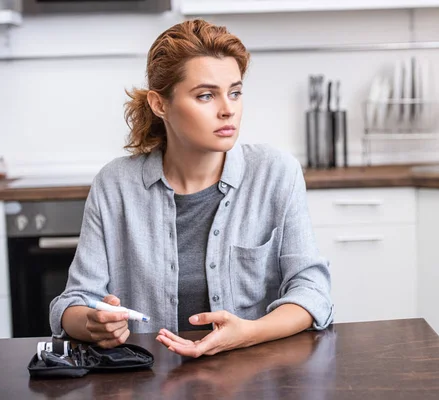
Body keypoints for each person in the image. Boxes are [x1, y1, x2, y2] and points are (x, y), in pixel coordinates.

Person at [50, 19, 333, 358]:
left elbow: (312, 291)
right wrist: (94, 322)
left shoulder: (276, 173)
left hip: (256, 376)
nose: (228, 109)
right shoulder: (115, 185)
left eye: (235, 92)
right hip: (149, 380)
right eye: (205, 95)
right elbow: (73, 303)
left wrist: (248, 333)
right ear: (160, 105)